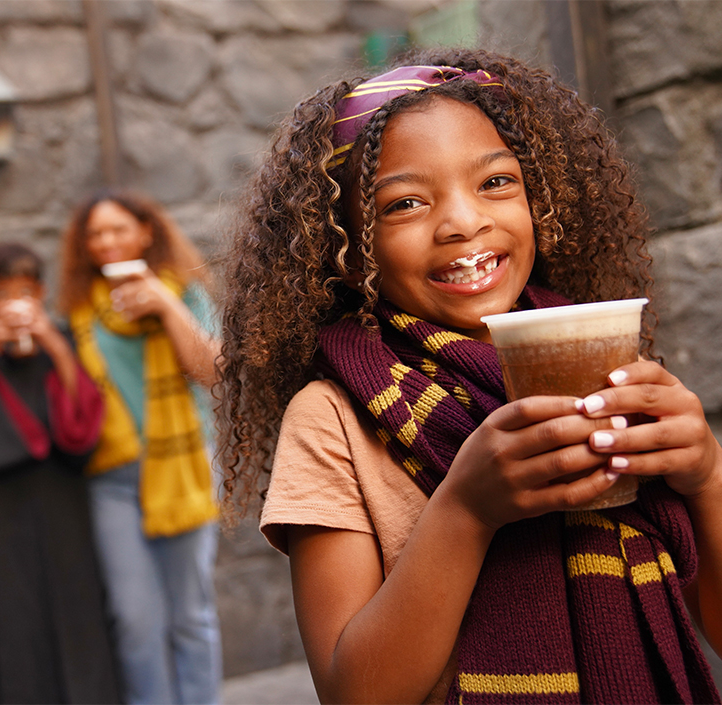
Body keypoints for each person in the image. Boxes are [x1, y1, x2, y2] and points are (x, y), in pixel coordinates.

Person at [217, 48, 722, 704]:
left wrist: (706, 474)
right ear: (344, 250)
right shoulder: (333, 417)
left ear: (537, 198)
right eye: (403, 204)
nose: (462, 221)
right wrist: (466, 508)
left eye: (494, 183)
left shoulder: (608, 365)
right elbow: (355, 693)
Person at [58, 188, 222, 705]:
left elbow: (213, 371)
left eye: (118, 229)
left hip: (183, 466)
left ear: (146, 232)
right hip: (113, 479)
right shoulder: (80, 310)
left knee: (189, 613)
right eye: (95, 234)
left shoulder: (184, 291)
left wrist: (166, 305)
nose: (106, 242)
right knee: (133, 618)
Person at [0, 242, 121, 704]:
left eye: (24, 291)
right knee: (12, 616)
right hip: (0, 510)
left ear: (40, 292)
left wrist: (55, 344)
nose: (16, 303)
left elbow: (85, 424)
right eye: (3, 294)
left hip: (62, 504)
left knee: (74, 609)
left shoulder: (59, 340)